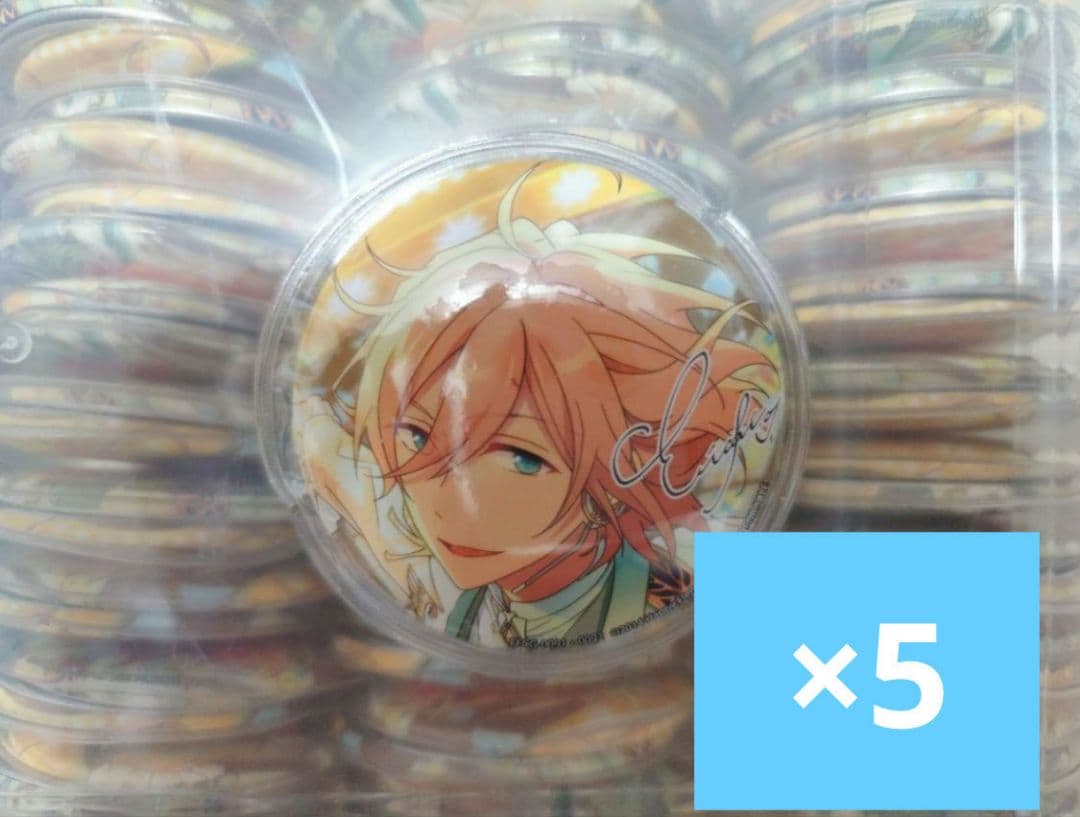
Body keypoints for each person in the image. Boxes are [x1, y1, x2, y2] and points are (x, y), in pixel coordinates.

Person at [297, 166, 780, 646]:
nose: (450, 505)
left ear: (627, 461)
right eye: (417, 436)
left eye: (523, 458)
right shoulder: (468, 603)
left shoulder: (681, 586)